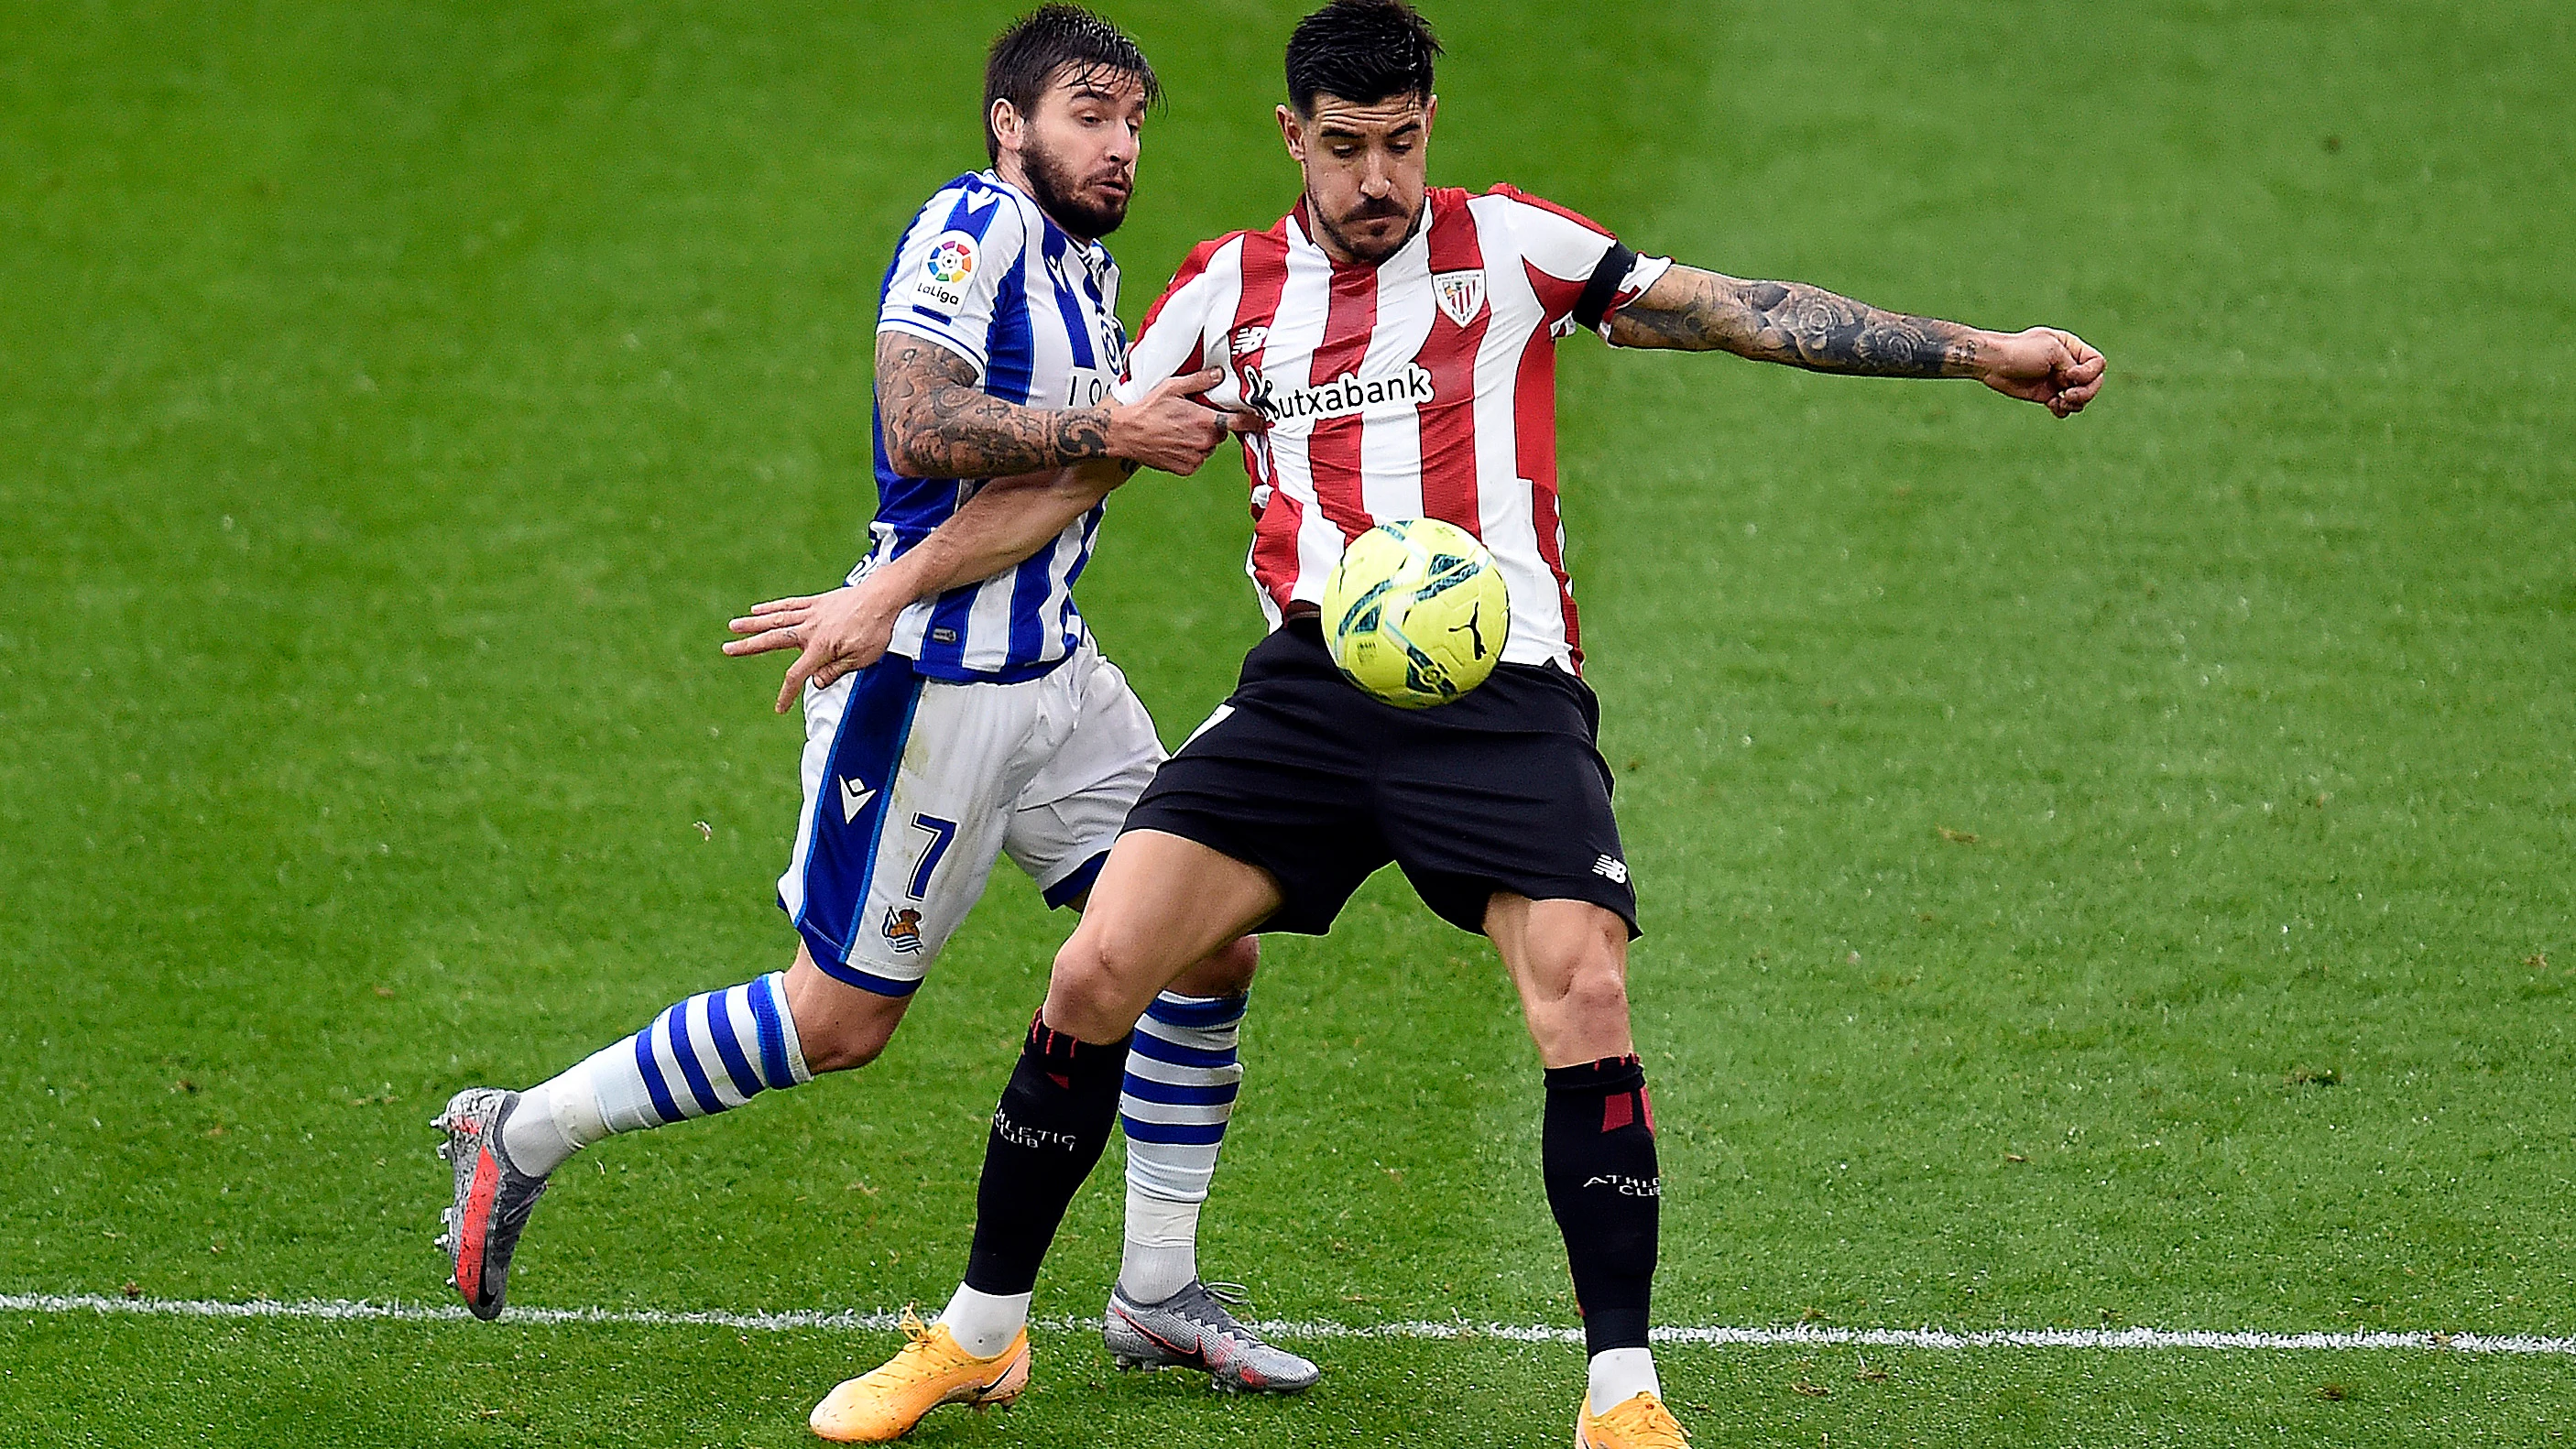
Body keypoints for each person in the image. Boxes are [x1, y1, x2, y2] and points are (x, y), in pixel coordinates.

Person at [818, 1, 2109, 1443]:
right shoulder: (1219, 290)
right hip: (1310, 691)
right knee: (1099, 961)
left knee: (1584, 991)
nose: (1379, 181)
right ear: (1294, 137)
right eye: (1349, 148)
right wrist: (895, 588)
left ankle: (1622, 1395)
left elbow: (1738, 309)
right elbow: (1082, 470)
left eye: (1404, 144)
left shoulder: (1510, 246)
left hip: (1505, 696)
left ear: (1431, 124)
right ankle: (983, 1334)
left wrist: (1975, 350)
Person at [431, 6, 1319, 1420]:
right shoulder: (966, 230)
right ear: (1009, 124)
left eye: (1138, 121)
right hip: (927, 693)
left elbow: (1061, 484)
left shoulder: (1088, 274)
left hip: (1063, 685)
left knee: (1207, 949)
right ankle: (519, 1133)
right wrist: (1116, 429)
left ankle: (1156, 1290)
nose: (1122, 145)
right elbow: (921, 422)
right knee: (838, 1021)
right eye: (1091, 114)